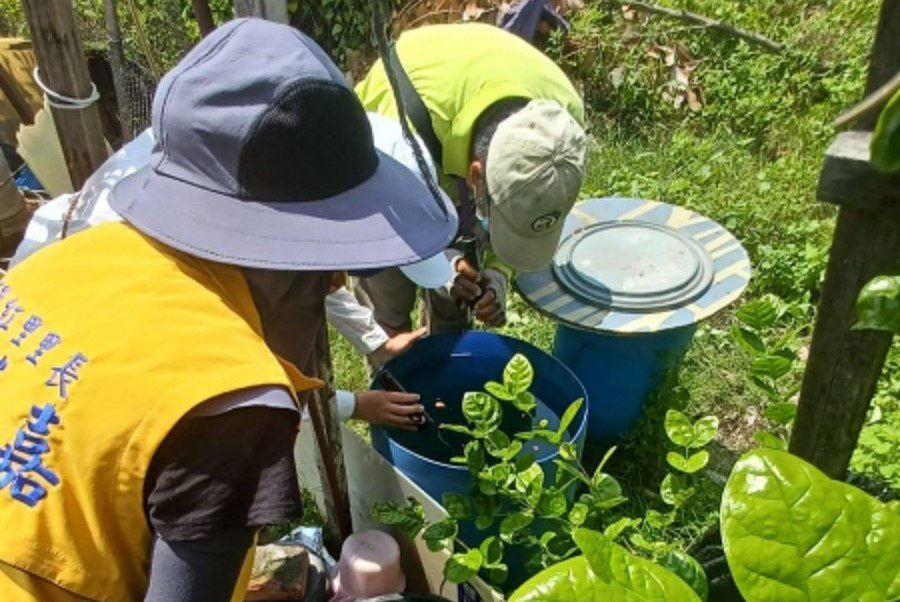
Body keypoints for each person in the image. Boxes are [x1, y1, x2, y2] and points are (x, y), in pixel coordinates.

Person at [0, 18, 457, 602]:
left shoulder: (60, 263)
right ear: (302, 270)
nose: (334, 284)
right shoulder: (232, 404)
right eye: (328, 275)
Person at [10, 114, 450, 430]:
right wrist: (358, 405)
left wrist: (375, 341)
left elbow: (311, 270)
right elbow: (241, 390)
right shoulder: (187, 286)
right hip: (72, 364)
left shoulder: (268, 171)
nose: (329, 278)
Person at [355, 22, 587, 336]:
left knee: (458, 299)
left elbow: (525, 209)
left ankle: (446, 348)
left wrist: (498, 272)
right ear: (475, 175)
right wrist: (440, 269)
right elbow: (397, 231)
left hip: (453, 124)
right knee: (389, 302)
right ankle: (392, 373)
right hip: (384, 178)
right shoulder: (401, 138)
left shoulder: (563, 129)